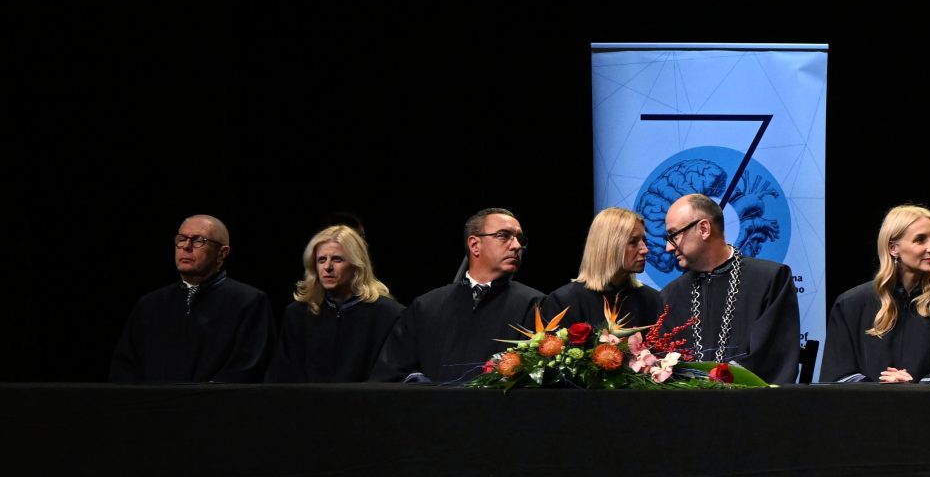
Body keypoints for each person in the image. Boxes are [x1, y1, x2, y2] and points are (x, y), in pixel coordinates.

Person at [373, 208, 545, 383]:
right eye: (503, 236)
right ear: (474, 245)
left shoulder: (534, 305)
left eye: (520, 239)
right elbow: (391, 373)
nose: (516, 246)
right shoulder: (425, 307)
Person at [820, 204, 930, 384]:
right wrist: (883, 389)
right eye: (920, 240)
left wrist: (918, 387)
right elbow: (838, 371)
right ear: (893, 248)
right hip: (866, 402)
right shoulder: (851, 305)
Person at [110, 214, 272, 382]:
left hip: (217, 398)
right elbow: (125, 367)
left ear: (222, 253)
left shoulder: (248, 301)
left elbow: (247, 367)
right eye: (181, 239)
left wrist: (202, 396)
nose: (186, 246)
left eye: (198, 240)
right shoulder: (149, 304)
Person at [660, 192, 802, 384]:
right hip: (686, 401)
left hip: (752, 400)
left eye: (674, 235)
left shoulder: (771, 280)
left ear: (704, 229)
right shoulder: (670, 296)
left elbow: (773, 359)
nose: (668, 247)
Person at [271, 223, 402, 382]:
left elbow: (391, 377)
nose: (327, 267)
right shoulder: (297, 314)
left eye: (337, 259)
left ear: (356, 265)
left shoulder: (388, 315)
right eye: (321, 260)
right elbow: (282, 376)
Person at [544, 208, 665, 336]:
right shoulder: (563, 302)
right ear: (609, 246)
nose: (645, 250)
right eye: (633, 242)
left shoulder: (653, 300)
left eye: (644, 241)